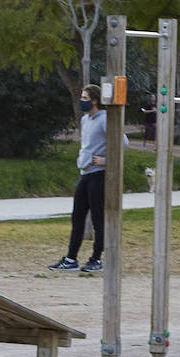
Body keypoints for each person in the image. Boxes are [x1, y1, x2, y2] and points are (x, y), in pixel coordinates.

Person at [48, 84, 124, 274]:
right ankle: (70, 258)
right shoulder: (85, 120)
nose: (82, 101)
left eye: (84, 98)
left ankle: (96, 259)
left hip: (99, 175)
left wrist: (105, 160)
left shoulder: (105, 119)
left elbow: (123, 142)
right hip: (84, 174)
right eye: (81, 97)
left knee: (98, 218)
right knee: (77, 217)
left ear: (95, 100)